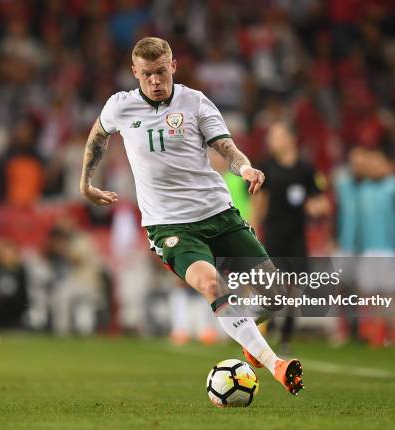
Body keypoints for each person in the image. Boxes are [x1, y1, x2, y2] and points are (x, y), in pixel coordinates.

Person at [79, 37, 303, 395]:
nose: (155, 80)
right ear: (135, 72)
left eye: (162, 72)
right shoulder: (120, 107)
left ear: (174, 66)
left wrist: (244, 169)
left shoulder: (195, 102)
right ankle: (275, 363)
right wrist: (86, 182)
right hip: (170, 225)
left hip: (218, 213)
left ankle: (248, 337)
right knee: (211, 283)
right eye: (148, 74)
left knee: (276, 291)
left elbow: (226, 148)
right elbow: (97, 137)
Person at [251, 122, 329, 352]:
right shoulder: (266, 168)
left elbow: (320, 199)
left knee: (296, 289)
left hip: (297, 237)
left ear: (290, 139)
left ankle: (286, 334)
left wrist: (318, 207)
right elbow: (258, 203)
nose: (271, 141)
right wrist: (253, 231)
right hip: (273, 236)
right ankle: (270, 323)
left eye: (276, 136)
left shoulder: (306, 170)